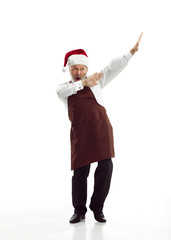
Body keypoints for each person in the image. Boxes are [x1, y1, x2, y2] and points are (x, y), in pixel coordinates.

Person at [56, 33, 143, 224]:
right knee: (80, 172)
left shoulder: (96, 81)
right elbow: (61, 91)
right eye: (75, 69)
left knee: (106, 166)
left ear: (87, 68)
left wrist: (130, 53)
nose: (78, 72)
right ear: (70, 71)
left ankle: (98, 208)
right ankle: (79, 210)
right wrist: (82, 84)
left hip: (101, 130)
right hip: (80, 133)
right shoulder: (65, 89)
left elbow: (112, 68)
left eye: (82, 69)